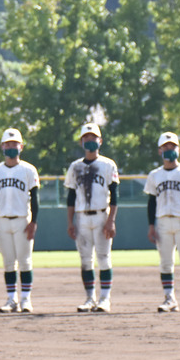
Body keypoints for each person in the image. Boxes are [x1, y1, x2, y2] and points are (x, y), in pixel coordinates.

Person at [65, 122, 119, 313]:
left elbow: (115, 195)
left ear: (100, 140)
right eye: (86, 137)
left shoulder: (108, 164)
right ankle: (89, 298)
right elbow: (70, 197)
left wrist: (111, 220)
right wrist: (70, 221)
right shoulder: (75, 167)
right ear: (81, 142)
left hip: (101, 215)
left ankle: (105, 299)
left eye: (93, 137)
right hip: (81, 218)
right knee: (85, 260)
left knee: (104, 258)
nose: (90, 140)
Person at [0, 128, 40, 313]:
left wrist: (34, 222)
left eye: (14, 144)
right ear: (2, 147)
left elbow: (36, 197)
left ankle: (25, 300)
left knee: (25, 261)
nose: (11, 147)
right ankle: (11, 299)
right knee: (8, 262)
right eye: (7, 144)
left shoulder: (28, 169)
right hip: (2, 221)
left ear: (21, 146)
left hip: (22, 220)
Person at [144, 132, 180, 312]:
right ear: (160, 151)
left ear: (178, 149)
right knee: (166, 263)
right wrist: (151, 225)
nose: (170, 150)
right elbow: (151, 202)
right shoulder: (154, 175)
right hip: (162, 223)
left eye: (173, 147)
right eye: (166, 147)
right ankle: (169, 299)